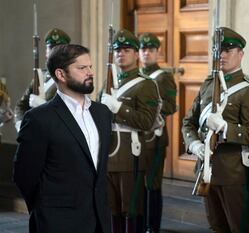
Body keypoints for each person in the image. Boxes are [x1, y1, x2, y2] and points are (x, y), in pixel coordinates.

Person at [13, 44, 112, 233]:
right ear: (61, 74)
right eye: (82, 68)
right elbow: (24, 174)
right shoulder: (39, 119)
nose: (90, 72)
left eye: (90, 66)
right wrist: (45, 209)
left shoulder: (102, 113)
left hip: (99, 219)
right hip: (56, 221)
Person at [182, 27, 249, 233]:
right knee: (216, 227)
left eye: (228, 50)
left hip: (235, 173)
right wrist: (194, 144)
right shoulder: (209, 84)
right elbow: (188, 122)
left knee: (239, 228)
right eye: (218, 50)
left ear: (241, 54)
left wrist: (226, 128)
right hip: (207, 170)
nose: (222, 55)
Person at [100, 29, 159, 233]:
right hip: (107, 155)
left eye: (126, 50)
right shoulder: (109, 83)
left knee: (131, 211)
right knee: (111, 209)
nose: (120, 54)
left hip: (129, 156)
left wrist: (118, 108)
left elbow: (146, 121)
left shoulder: (146, 85)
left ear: (136, 54)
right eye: (117, 51)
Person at [138, 32, 177, 233]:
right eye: (143, 49)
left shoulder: (163, 77)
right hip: (137, 138)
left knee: (152, 183)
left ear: (157, 52)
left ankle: (153, 227)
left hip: (156, 138)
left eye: (150, 50)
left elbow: (171, 105)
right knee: (138, 184)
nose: (146, 53)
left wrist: (147, 111)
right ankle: (140, 223)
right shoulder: (136, 76)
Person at [14, 28, 71, 131]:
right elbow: (21, 105)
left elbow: (71, 114)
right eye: (51, 49)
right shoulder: (41, 76)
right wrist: (20, 123)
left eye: (59, 49)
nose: (55, 53)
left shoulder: (71, 78)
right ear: (46, 53)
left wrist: (44, 106)